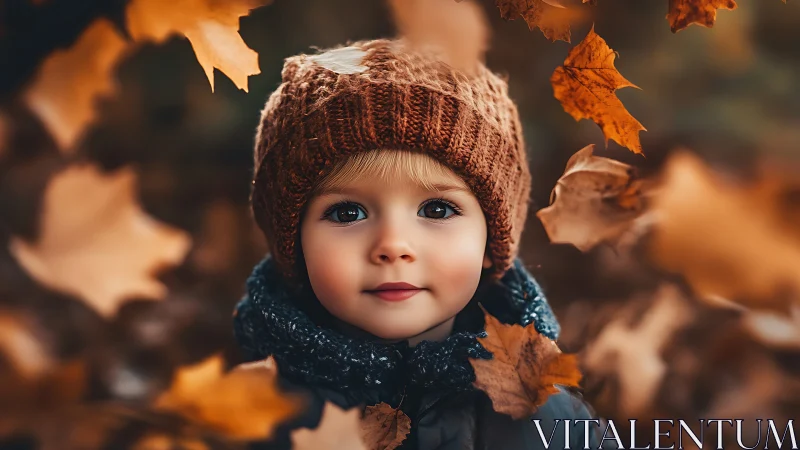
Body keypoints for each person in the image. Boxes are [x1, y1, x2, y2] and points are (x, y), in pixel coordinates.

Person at [234, 38, 607, 450]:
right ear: (294, 243)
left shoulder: (544, 414)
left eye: (436, 210)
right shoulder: (255, 413)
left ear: (491, 241)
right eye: (347, 213)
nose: (393, 246)